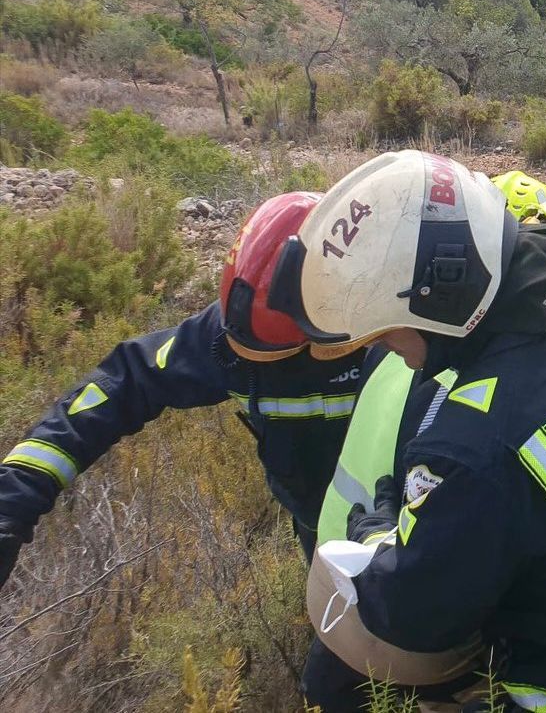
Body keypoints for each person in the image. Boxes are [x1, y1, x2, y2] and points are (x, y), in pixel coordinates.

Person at [269, 150, 546, 713]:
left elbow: (417, 613)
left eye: (387, 330)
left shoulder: (475, 441)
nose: (387, 348)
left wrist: (375, 534)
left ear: (442, 294)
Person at [0, 193, 368, 589]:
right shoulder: (235, 331)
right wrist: (16, 493)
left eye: (275, 355)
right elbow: (124, 383)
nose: (249, 360)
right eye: (242, 350)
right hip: (317, 530)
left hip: (407, 538)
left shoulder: (392, 338)